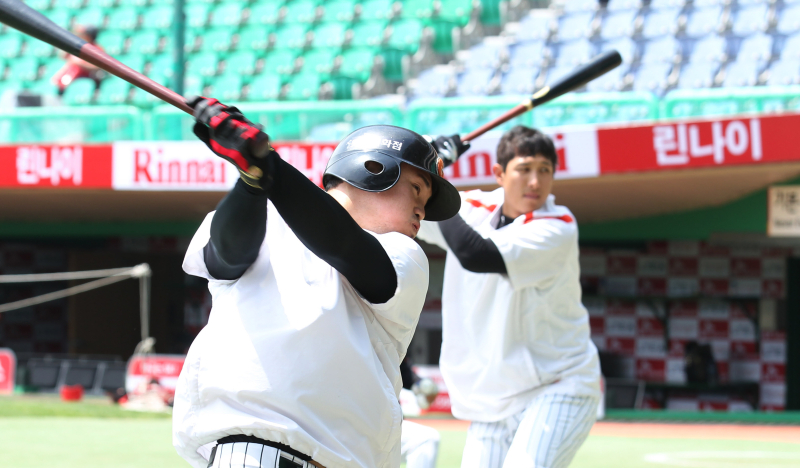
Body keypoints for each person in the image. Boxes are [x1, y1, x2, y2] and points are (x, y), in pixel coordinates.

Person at [172, 96, 461, 468]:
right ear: (372, 170)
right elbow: (227, 257)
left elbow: (344, 245)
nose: (422, 210)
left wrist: (267, 165)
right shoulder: (262, 217)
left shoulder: (404, 255)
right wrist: (252, 179)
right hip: (254, 454)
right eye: (417, 190)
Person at [417, 126, 601, 468]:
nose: (535, 181)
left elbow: (475, 253)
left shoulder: (557, 225)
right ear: (499, 174)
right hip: (496, 396)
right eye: (524, 169)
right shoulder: (473, 206)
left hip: (559, 383)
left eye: (544, 170)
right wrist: (418, 165)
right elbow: (406, 208)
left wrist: (436, 181)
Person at [51, 25, 104, 94]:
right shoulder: (79, 46)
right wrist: (69, 42)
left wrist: (79, 63)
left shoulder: (96, 49)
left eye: (83, 34)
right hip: (69, 76)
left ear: (88, 36)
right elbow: (63, 56)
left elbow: (97, 67)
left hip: (84, 78)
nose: (81, 36)